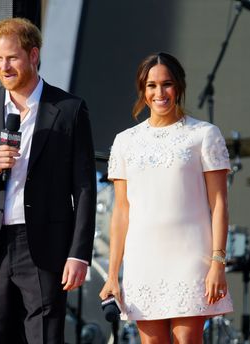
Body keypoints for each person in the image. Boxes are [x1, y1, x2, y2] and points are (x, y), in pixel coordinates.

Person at [0, 17, 96, 344]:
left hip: (45, 246)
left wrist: (79, 253)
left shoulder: (69, 109)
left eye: (12, 57)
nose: (5, 66)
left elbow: (84, 187)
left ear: (33, 55)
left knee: (45, 337)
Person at [99, 52, 233, 343]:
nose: (159, 93)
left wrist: (217, 263)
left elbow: (219, 204)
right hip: (143, 261)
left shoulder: (204, 135)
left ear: (179, 87)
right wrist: (112, 275)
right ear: (142, 90)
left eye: (167, 84)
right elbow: (122, 212)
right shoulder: (125, 141)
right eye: (151, 85)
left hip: (191, 258)